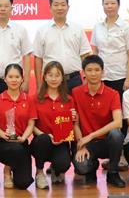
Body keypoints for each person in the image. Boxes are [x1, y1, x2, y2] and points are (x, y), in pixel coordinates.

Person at [70, 55, 126, 188]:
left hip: (106, 142)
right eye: (89, 70)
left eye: (97, 70)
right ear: (83, 73)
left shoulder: (113, 94)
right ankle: (91, 169)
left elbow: (118, 122)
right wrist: (81, 145)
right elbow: (75, 123)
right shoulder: (76, 93)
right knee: (82, 166)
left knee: (116, 135)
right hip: (87, 142)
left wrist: (91, 135)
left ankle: (113, 173)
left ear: (103, 72)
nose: (93, 74)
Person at [31, 61, 80, 189]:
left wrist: (74, 118)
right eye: (50, 75)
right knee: (43, 140)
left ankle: (56, 169)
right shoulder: (35, 99)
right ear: (44, 77)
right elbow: (31, 124)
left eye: (57, 75)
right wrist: (46, 135)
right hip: (41, 141)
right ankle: (39, 172)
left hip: (61, 141)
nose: (54, 79)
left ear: (62, 78)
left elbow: (72, 124)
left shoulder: (68, 99)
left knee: (63, 164)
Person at [0, 63, 36, 189]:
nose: (14, 80)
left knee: (23, 183)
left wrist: (24, 138)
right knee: (15, 149)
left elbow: (31, 123)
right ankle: (7, 170)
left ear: (22, 79)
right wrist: (4, 135)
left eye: (17, 77)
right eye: (10, 77)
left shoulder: (28, 99)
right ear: (5, 79)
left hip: (21, 141)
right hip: (1, 142)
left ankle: (13, 168)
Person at [33, 0, 92, 91]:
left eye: (63, 5)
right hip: (51, 80)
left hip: (74, 79)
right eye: (56, 5)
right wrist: (39, 84)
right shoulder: (42, 31)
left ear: (68, 7)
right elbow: (38, 58)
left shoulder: (77, 29)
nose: (60, 8)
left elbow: (85, 55)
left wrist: (86, 78)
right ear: (50, 7)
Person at [90, 0, 129, 101]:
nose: (109, 6)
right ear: (102, 5)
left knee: (121, 108)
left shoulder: (127, 27)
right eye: (106, 3)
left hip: (121, 77)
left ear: (118, 5)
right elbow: (95, 51)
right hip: (102, 77)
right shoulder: (97, 27)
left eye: (113, 3)